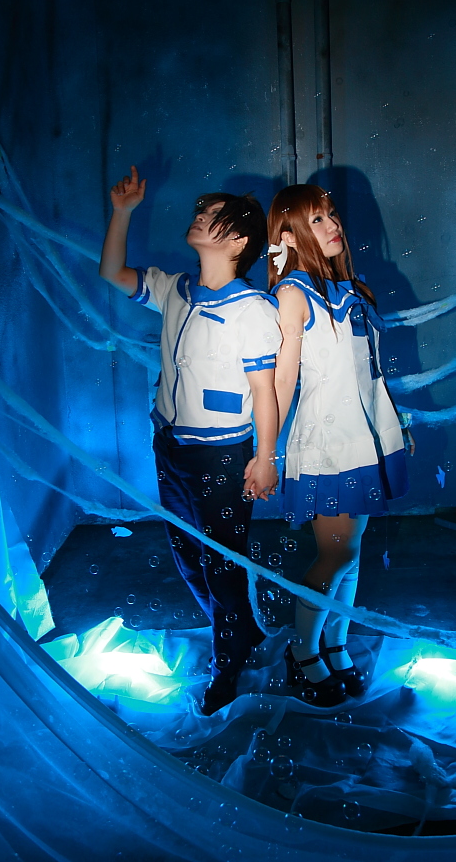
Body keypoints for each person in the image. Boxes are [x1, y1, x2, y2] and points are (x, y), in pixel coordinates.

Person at [100, 166, 280, 715]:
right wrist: (123, 213)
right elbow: (113, 274)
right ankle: (239, 630)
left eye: (213, 215)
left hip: (222, 454)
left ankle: (229, 663)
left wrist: (265, 457)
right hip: (170, 445)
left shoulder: (252, 309)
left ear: (239, 241)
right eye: (201, 211)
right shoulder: (175, 288)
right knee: (187, 556)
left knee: (223, 563)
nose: (199, 217)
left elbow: (266, 392)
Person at [268, 184, 414, 707]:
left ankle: (335, 643)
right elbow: (283, 380)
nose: (333, 225)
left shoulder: (356, 290)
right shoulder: (293, 294)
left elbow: (371, 374)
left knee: (351, 553)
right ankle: (303, 651)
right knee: (337, 552)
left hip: (365, 436)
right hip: (328, 441)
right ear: (289, 236)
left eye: (331, 215)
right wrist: (264, 453)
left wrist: (395, 426)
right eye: (316, 220)